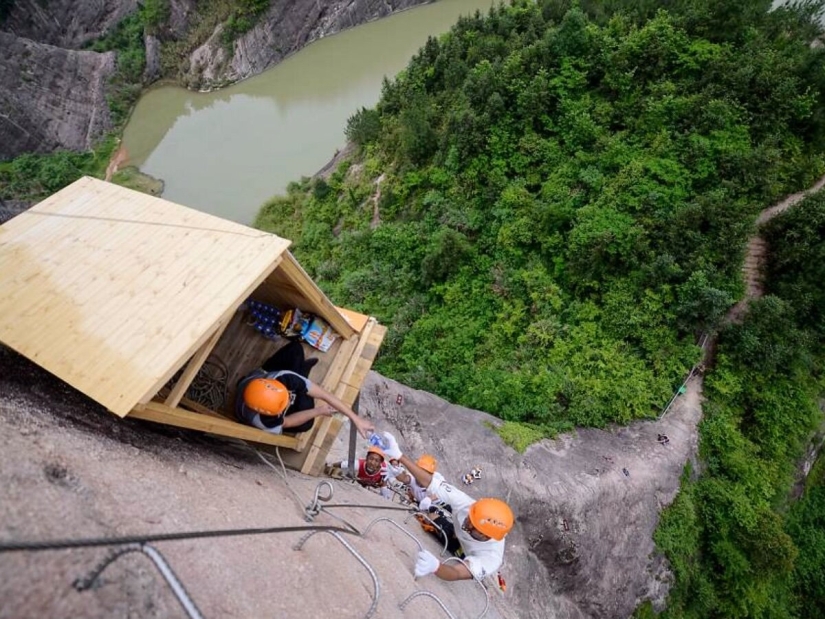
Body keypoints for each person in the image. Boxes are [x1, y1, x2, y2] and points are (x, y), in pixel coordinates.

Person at [381, 431, 514, 582]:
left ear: (485, 535)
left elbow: (456, 573)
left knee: (454, 545)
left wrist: (435, 567)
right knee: (432, 519)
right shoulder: (467, 504)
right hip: (456, 531)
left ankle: (456, 544)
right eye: (469, 518)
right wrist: (399, 456)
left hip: (468, 553)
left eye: (471, 525)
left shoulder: (490, 557)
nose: (467, 522)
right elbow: (429, 482)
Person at [234, 341, 373, 438]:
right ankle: (303, 374)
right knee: (306, 424)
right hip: (247, 407)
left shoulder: (283, 378)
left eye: (288, 396)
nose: (289, 399)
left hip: (259, 379)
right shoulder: (266, 422)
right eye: (287, 401)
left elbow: (324, 395)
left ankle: (302, 375)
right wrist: (318, 411)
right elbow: (287, 422)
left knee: (296, 349)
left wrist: (356, 419)